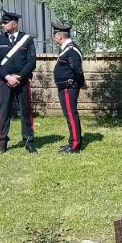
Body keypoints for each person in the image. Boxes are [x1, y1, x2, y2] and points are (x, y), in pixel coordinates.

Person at [0, 10, 37, 154]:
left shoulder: (27, 40)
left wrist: (19, 77)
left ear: (15, 24)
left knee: (25, 111)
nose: (3, 24)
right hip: (4, 81)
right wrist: (7, 77)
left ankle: (28, 141)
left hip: (21, 81)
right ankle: (2, 142)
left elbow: (31, 62)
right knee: (3, 112)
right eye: (3, 22)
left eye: (6, 22)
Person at [52, 21, 86, 154]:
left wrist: (81, 83)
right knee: (69, 115)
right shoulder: (67, 48)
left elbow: (77, 70)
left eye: (55, 35)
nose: (54, 38)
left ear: (59, 36)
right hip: (65, 86)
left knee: (71, 115)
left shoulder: (71, 50)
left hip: (68, 86)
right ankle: (72, 141)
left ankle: (75, 145)